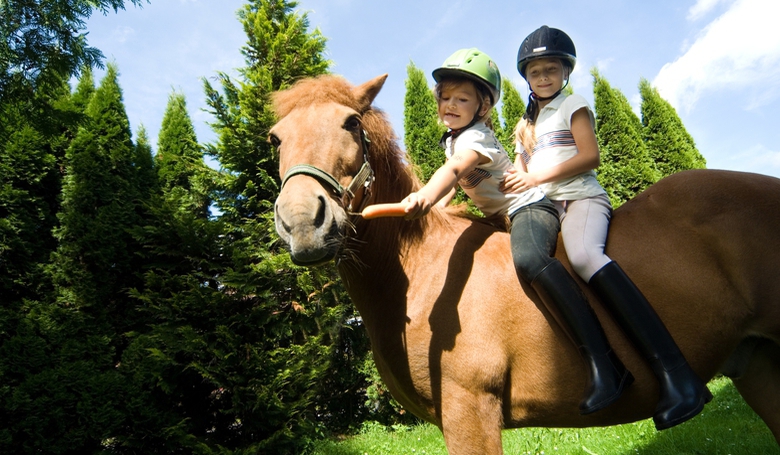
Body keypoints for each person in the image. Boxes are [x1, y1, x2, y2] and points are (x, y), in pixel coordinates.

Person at [401, 48, 633, 416]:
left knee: (529, 259)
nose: (451, 104)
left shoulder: (474, 139)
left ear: (482, 108)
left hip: (529, 207)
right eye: (445, 98)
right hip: (502, 217)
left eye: (463, 99)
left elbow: (454, 171)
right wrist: (430, 213)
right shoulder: (453, 140)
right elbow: (452, 187)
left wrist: (424, 194)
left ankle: (606, 365)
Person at [503, 25, 711, 430]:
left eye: (551, 69)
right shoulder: (525, 123)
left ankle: (679, 376)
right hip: (547, 207)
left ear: (565, 72)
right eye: (535, 72)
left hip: (581, 198)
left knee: (583, 256)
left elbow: (590, 155)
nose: (543, 77)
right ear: (526, 77)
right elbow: (519, 174)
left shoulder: (572, 104)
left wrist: (536, 177)